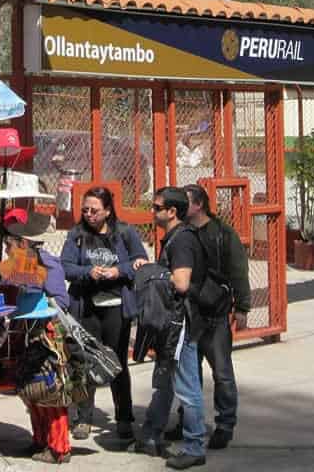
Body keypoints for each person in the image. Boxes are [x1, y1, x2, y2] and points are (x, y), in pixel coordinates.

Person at [61, 185, 149, 441]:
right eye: (85, 209)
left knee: (117, 363)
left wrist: (117, 272)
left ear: (108, 211)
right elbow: (65, 266)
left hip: (116, 309)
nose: (89, 214)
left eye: (94, 210)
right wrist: (86, 273)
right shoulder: (76, 235)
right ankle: (83, 418)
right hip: (86, 308)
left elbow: (139, 262)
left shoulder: (125, 233)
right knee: (85, 361)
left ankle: (124, 418)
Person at [172, 183, 251, 450]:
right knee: (188, 374)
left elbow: (239, 271)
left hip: (215, 315)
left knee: (222, 373)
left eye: (186, 201)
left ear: (198, 205)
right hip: (188, 313)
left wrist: (242, 307)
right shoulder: (182, 233)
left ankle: (225, 424)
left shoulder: (222, 234)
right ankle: (188, 421)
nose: (181, 207)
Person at [137, 187, 208, 470]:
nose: (152, 212)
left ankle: (194, 446)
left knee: (187, 389)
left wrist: (152, 272)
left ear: (172, 212)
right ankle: (151, 435)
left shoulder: (182, 242)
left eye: (156, 208)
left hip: (182, 325)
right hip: (172, 324)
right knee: (164, 382)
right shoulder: (176, 238)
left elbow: (181, 282)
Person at [5, 209, 72, 464]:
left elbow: (61, 301)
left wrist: (39, 299)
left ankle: (59, 448)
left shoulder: (49, 264)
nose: (8, 247)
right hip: (26, 336)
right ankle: (41, 440)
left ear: (24, 241)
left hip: (48, 337)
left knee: (50, 393)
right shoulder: (16, 263)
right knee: (31, 392)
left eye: (11, 242)